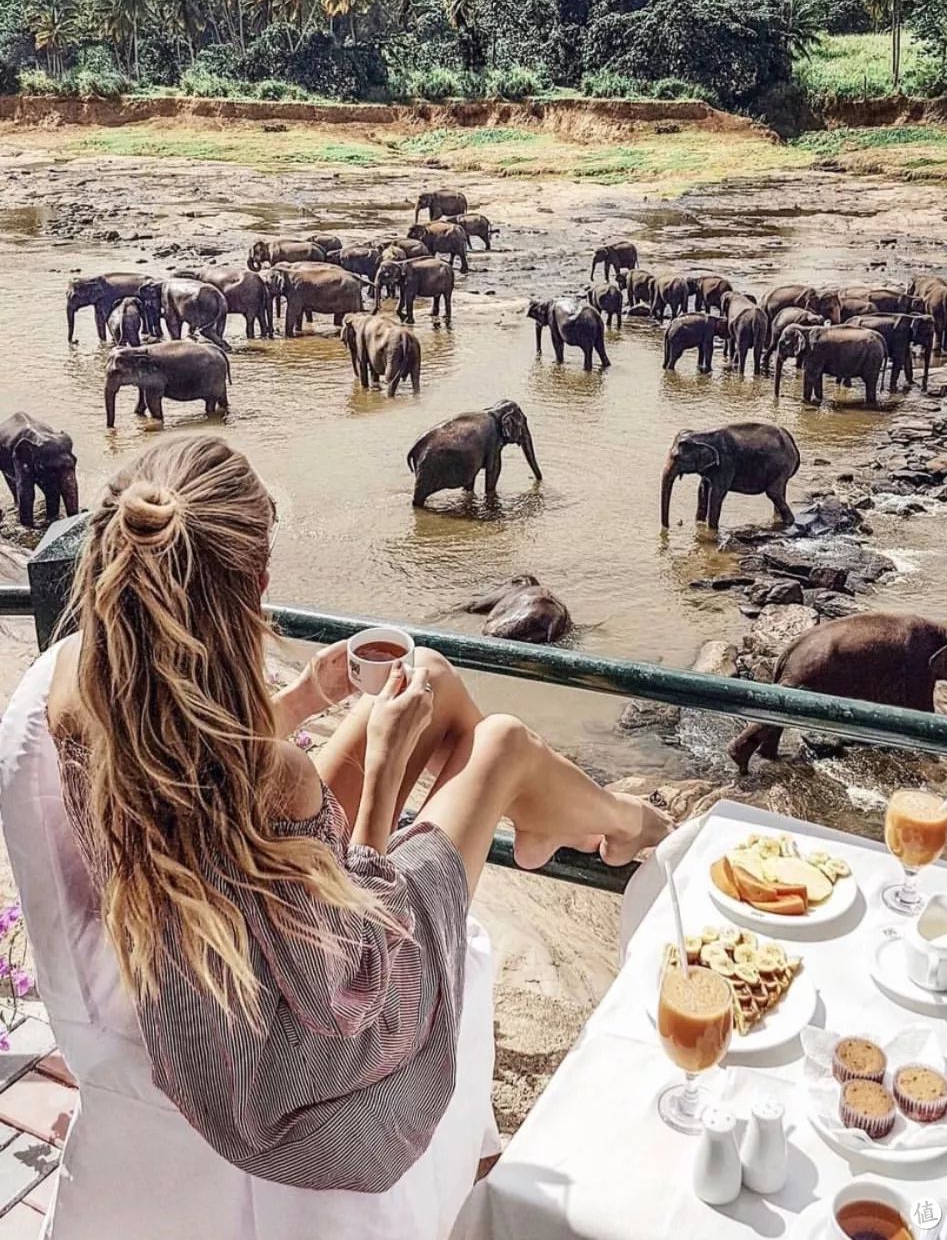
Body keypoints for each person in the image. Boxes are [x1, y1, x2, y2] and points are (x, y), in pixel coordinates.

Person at [0, 435, 667, 1240]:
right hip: (300, 1049)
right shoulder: (278, 779)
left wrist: (312, 695)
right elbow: (351, 978)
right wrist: (382, 767)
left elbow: (214, 767)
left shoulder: (88, 702)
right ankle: (629, 824)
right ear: (257, 585)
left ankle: (541, 819)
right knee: (501, 746)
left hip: (230, 928)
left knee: (437, 680)